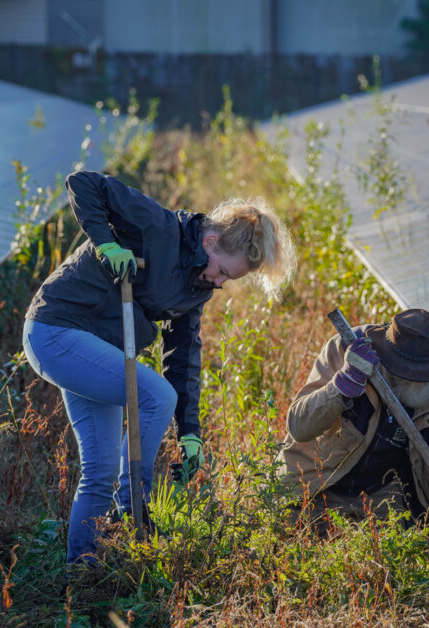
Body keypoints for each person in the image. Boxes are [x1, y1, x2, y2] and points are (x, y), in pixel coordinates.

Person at [23, 170, 294, 563]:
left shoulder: (195, 288)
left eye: (227, 281)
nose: (219, 283)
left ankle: (81, 572)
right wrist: (107, 246)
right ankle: (135, 507)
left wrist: (191, 434)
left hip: (93, 347)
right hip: (56, 328)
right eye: (222, 271)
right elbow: (82, 182)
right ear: (210, 241)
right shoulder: (158, 226)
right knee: (156, 396)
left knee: (99, 471)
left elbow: (183, 356)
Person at [276, 309, 429, 544]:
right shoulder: (347, 349)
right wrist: (340, 386)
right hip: (319, 486)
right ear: (392, 362)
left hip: (383, 495)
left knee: (398, 562)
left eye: (426, 372)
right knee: (294, 550)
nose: (420, 379)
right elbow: (299, 427)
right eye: (411, 373)